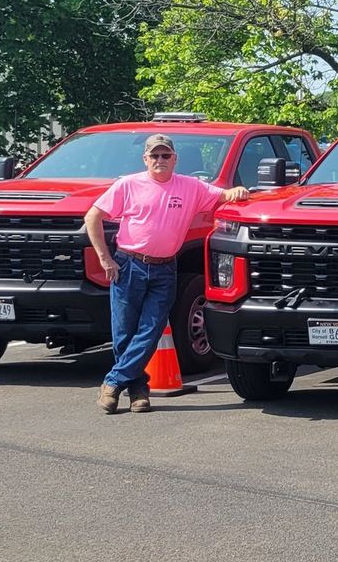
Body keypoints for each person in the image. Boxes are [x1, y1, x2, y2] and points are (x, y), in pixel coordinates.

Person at [84, 133, 249, 415]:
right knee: (124, 333)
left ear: (175, 159)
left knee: (151, 330)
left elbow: (223, 196)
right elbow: (93, 216)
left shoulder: (191, 186)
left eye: (165, 155)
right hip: (129, 264)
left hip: (165, 268)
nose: (160, 160)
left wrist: (238, 192)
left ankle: (113, 382)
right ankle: (138, 391)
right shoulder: (128, 185)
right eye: (154, 155)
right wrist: (105, 259)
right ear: (145, 159)